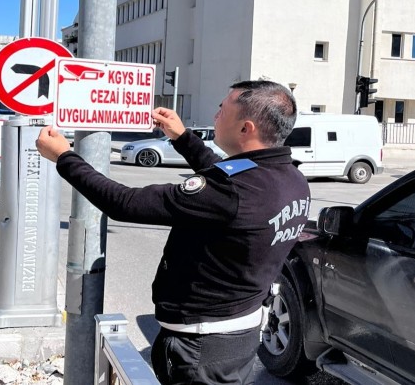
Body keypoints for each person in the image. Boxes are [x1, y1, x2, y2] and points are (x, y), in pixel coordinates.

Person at [36, 80, 311, 385]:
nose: (216, 114)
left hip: (201, 350)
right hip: (239, 335)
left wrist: (65, 157)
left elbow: (125, 203)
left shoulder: (231, 192)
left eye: (222, 108)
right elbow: (225, 173)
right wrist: (183, 138)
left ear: (246, 129)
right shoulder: (290, 179)